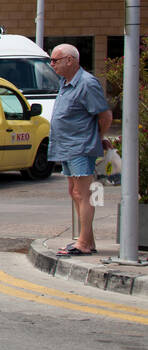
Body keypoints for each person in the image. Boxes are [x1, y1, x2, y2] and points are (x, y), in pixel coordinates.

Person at [47, 44, 113, 256]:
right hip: (66, 146)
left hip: (80, 146)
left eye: (55, 60)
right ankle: (87, 240)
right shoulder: (65, 82)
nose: (52, 64)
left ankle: (83, 243)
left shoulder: (86, 83)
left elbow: (104, 115)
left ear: (70, 60)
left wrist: (98, 138)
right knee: (73, 192)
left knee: (82, 193)